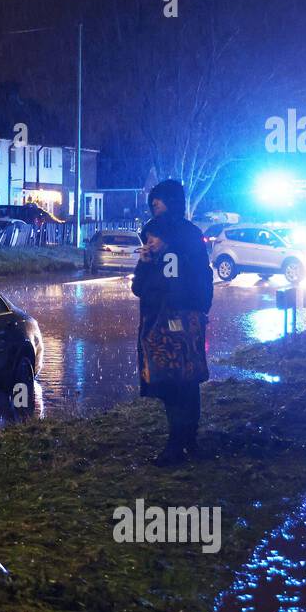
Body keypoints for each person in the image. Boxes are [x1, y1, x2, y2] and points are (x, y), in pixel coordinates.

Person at [131, 179, 214, 466]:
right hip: (156, 325)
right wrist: (145, 262)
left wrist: (193, 312)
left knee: (184, 383)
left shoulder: (186, 238)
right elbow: (139, 289)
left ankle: (180, 444)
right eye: (152, 204)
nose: (154, 208)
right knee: (173, 384)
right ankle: (182, 441)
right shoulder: (155, 249)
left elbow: (194, 280)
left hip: (179, 325)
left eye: (159, 203)